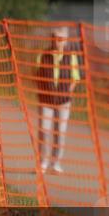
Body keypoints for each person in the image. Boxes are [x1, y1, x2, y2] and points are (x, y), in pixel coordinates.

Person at [36, 26, 80, 174]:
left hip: (63, 101)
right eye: (54, 38)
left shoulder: (71, 56)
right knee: (44, 131)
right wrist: (43, 91)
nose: (57, 41)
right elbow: (36, 75)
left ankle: (56, 163)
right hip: (46, 100)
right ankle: (43, 162)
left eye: (60, 39)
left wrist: (67, 92)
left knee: (60, 132)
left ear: (66, 40)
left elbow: (75, 78)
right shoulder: (43, 55)